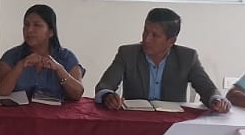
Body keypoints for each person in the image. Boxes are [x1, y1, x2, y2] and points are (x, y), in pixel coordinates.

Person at [94, 7, 230, 112]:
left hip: (172, 124)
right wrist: (107, 96)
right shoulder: (127, 53)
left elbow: (208, 89)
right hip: (135, 120)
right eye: (145, 31)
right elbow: (104, 86)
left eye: (155, 35)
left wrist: (216, 101)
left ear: (171, 41)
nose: (146, 39)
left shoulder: (187, 57)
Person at [0, 4, 87, 101]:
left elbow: (77, 94)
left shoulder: (66, 57)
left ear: (51, 32)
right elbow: (1, 91)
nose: (29, 30)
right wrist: (20, 65)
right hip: (18, 110)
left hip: (55, 110)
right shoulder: (12, 56)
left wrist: (59, 70)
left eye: (37, 25)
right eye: (26, 25)